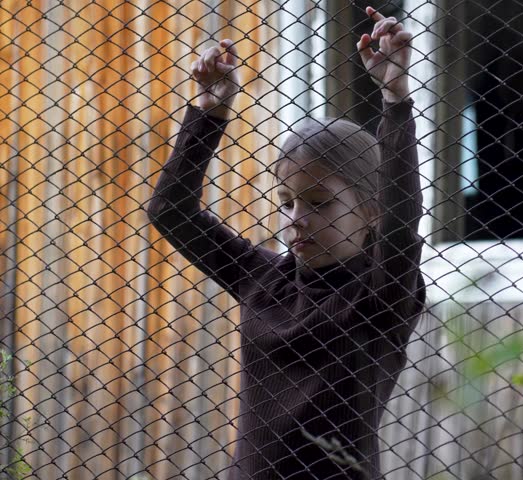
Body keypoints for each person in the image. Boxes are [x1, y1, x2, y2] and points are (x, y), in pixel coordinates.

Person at [145, 6, 425, 479]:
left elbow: (402, 223)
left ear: (369, 211)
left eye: (319, 203)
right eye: (286, 202)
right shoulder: (262, 277)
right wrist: (208, 115)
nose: (296, 219)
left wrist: (396, 100)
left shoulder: (382, 292)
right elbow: (171, 214)